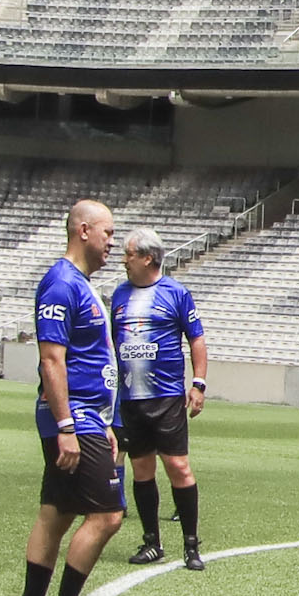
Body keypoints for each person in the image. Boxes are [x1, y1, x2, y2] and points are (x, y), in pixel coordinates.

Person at [7, 200, 125, 596]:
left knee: (55, 513)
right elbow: (52, 360)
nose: (111, 242)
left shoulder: (81, 285)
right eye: (107, 232)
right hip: (74, 418)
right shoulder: (60, 284)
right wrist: (67, 426)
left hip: (89, 417)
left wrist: (108, 420)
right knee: (108, 516)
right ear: (82, 230)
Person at [110, 231, 208, 570]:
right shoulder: (119, 295)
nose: (123, 260)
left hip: (166, 398)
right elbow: (112, 343)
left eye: (129, 254)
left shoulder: (176, 293)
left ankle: (191, 545)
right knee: (141, 469)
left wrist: (198, 384)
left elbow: (197, 339)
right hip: (131, 399)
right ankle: (152, 542)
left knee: (178, 467)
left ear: (148, 258)